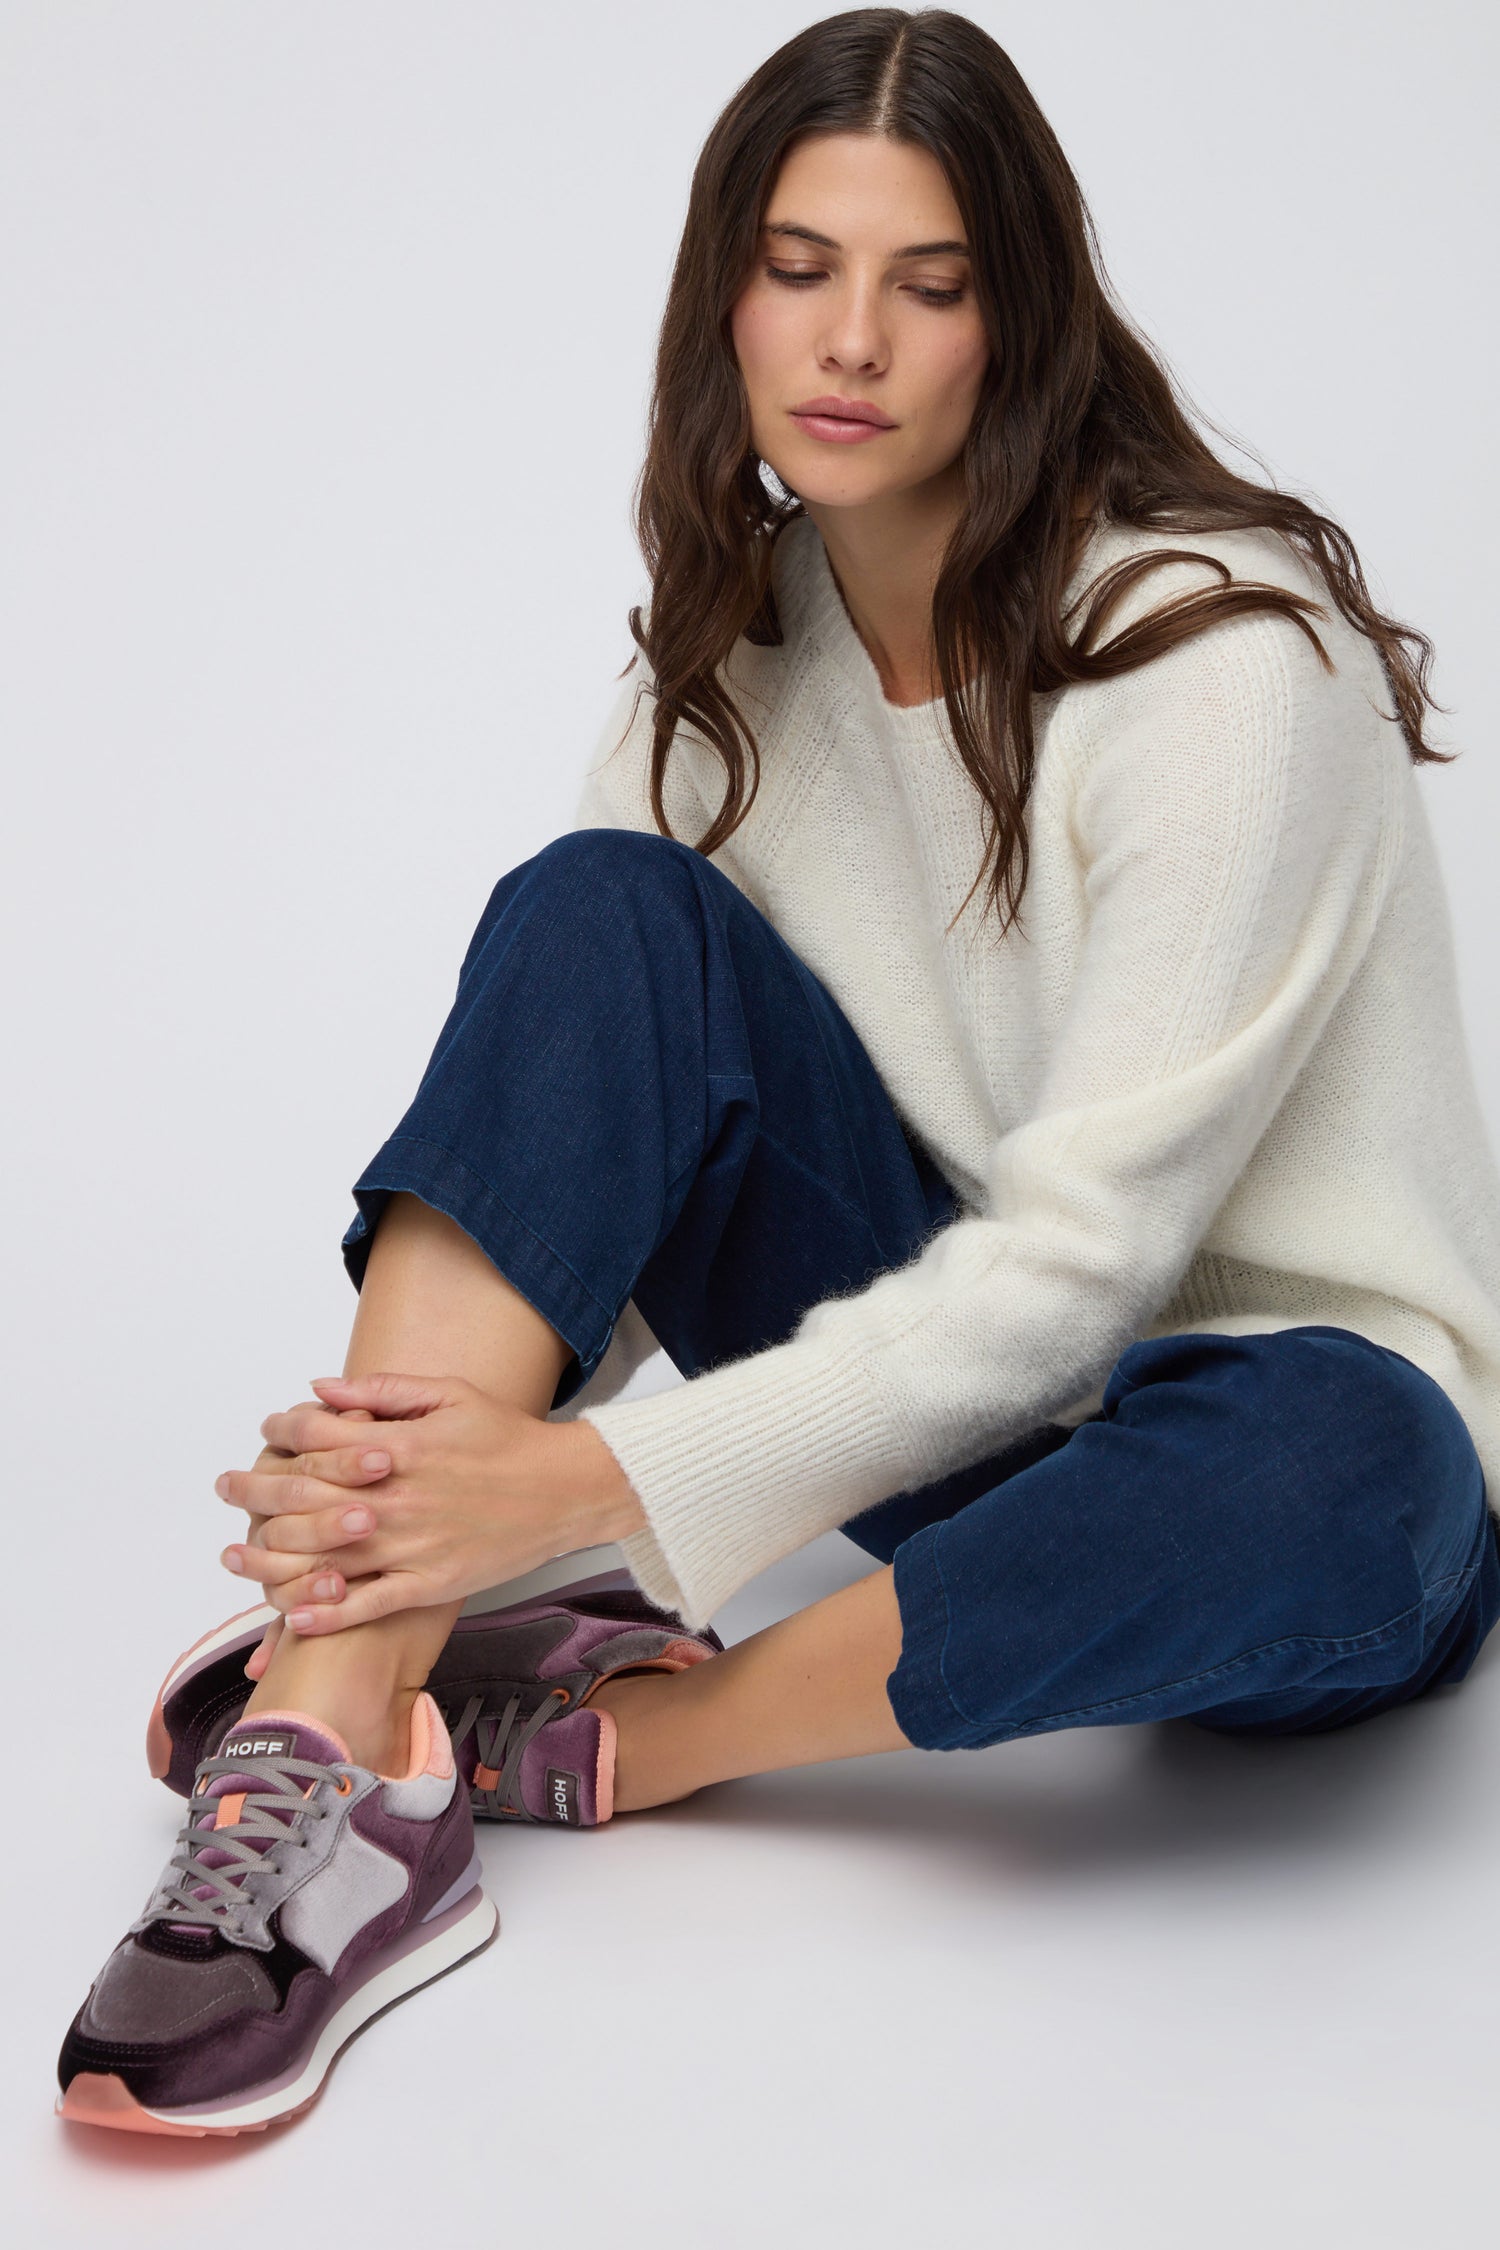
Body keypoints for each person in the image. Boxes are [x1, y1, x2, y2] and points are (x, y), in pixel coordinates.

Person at [58, 5, 1500, 2138]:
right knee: (602, 906)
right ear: (723, 298)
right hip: (948, 1404)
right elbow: (603, 1122)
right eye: (800, 268)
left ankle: (628, 1741)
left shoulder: (1214, 658)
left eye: (931, 284)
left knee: (1347, 1459)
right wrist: (440, 1489)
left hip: (1273, 1457)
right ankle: (340, 1723)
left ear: (1021, 323)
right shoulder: (733, 666)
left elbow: (1083, 1282)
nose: (852, 342)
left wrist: (595, 1491)